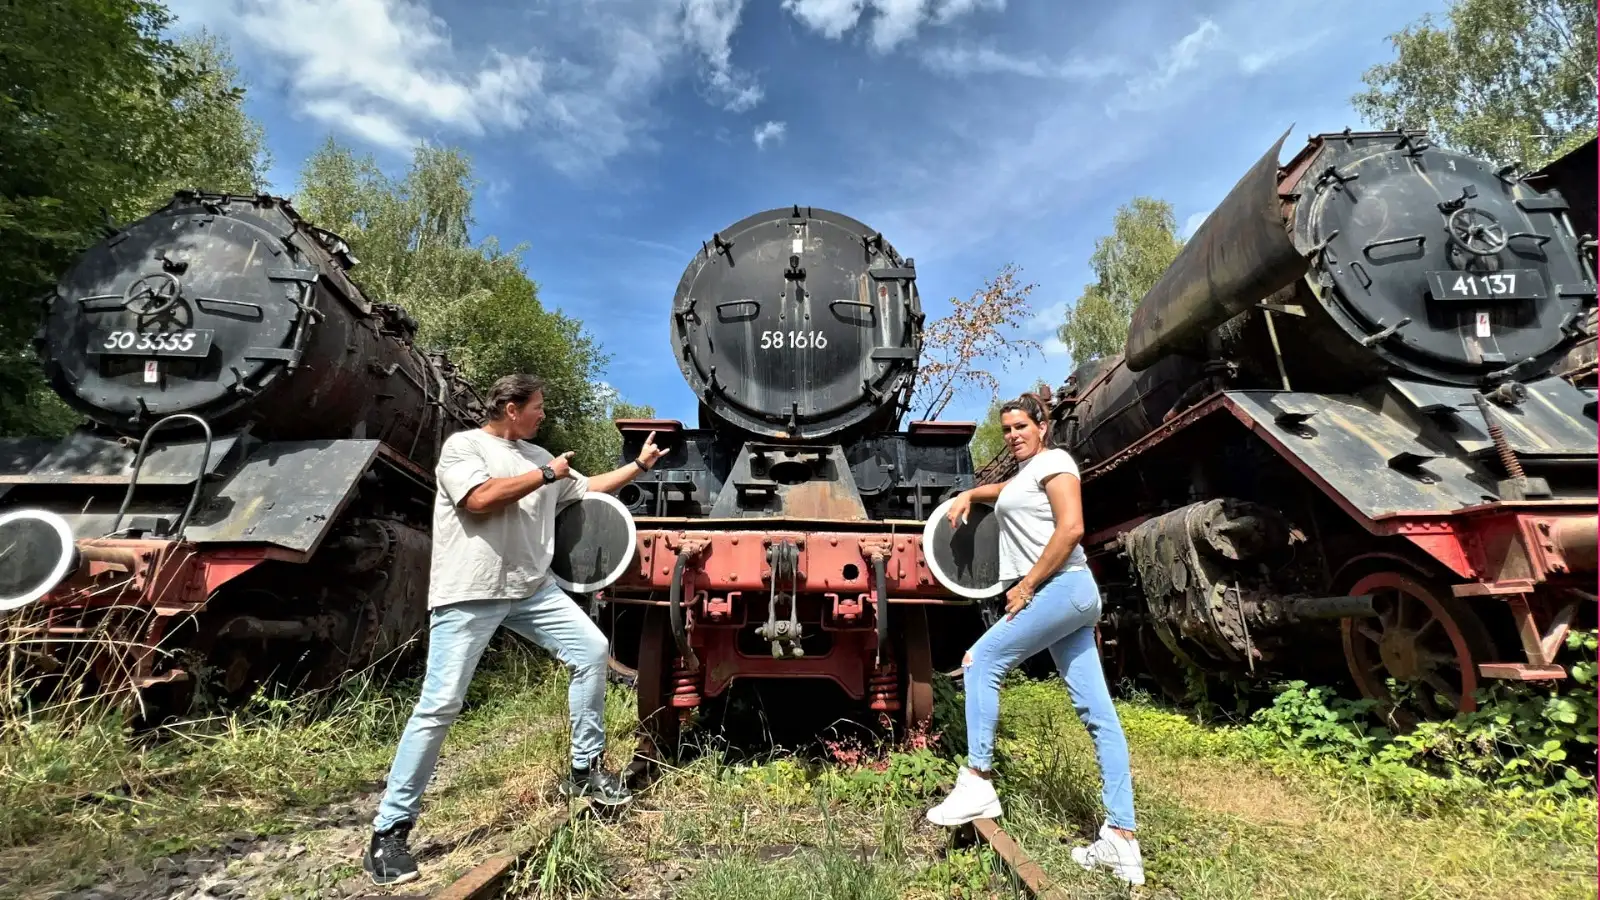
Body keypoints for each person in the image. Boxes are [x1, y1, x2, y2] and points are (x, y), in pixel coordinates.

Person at [363, 373, 667, 887]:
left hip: (531, 590)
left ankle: (585, 769)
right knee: (440, 705)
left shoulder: (538, 455)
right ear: (509, 407)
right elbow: (480, 500)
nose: (542, 414)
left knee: (592, 650)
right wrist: (546, 475)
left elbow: (588, 488)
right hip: (471, 591)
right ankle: (389, 831)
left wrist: (638, 466)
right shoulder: (465, 448)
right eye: (537, 407)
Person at [925, 395, 1144, 887]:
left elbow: (1072, 528)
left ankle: (978, 779)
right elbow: (1008, 490)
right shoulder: (1027, 474)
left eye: (1021, 425)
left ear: (1042, 426)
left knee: (980, 660)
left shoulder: (1057, 461)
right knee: (1097, 713)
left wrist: (1026, 586)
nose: (1013, 434)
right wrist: (971, 495)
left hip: (1061, 586)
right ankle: (1122, 839)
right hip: (1063, 595)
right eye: (1005, 429)